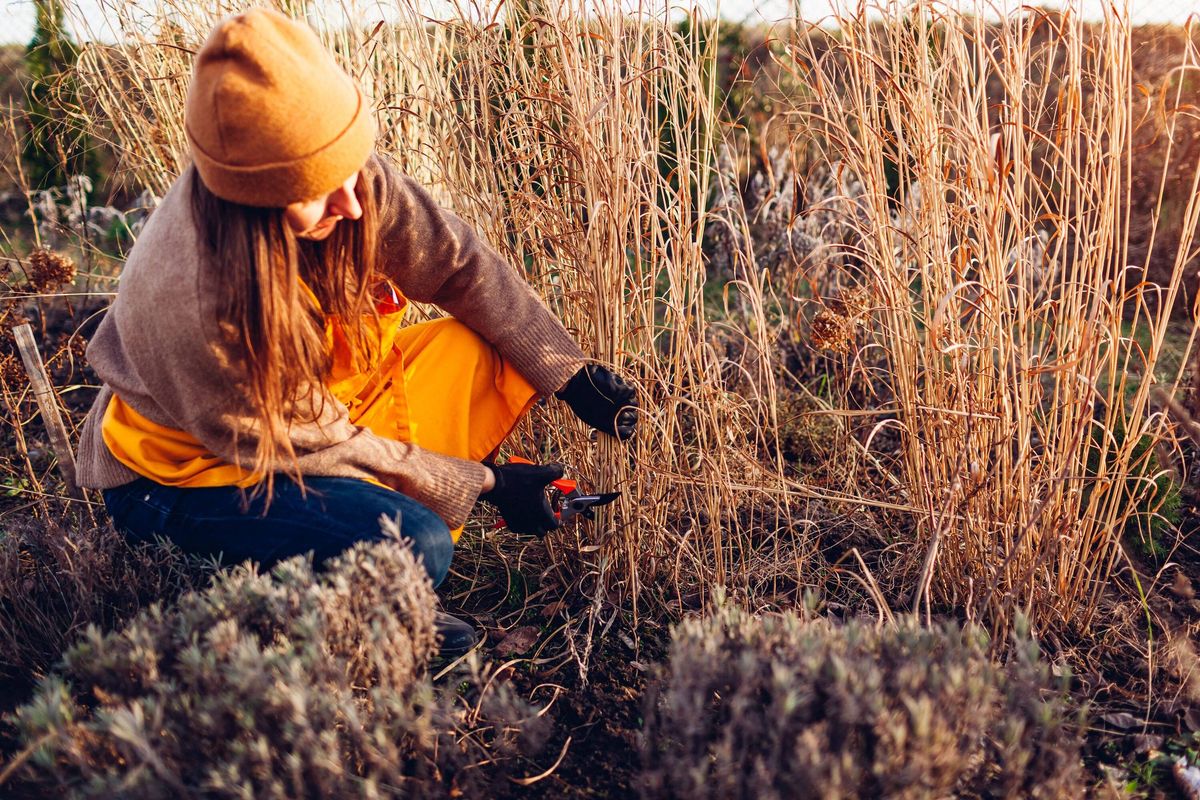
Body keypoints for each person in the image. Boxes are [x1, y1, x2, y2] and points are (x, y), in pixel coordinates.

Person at [73, 7, 638, 654]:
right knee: (415, 542)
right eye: (318, 192)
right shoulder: (199, 302)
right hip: (191, 480)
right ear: (253, 201)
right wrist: (488, 485)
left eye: (350, 171)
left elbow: (457, 266)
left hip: (318, 414)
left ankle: (374, 553)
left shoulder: (342, 174)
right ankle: (330, 620)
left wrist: (567, 372)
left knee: (488, 349)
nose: (350, 203)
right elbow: (324, 443)